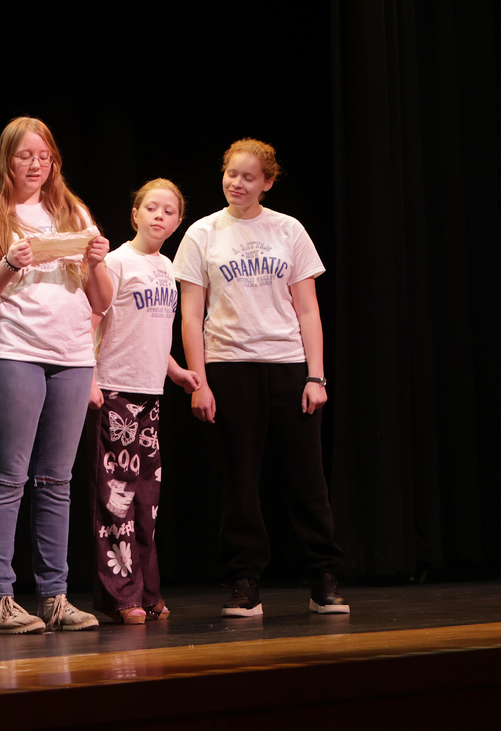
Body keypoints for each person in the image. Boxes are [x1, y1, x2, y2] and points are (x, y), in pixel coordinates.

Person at [172, 138, 348, 617]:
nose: (237, 183)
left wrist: (317, 377)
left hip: (288, 366)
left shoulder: (288, 230)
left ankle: (324, 578)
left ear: (267, 183)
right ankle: (245, 580)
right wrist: (199, 380)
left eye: (249, 177)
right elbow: (190, 315)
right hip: (229, 367)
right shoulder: (202, 233)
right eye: (231, 174)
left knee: (307, 479)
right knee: (240, 481)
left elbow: (308, 309)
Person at [0, 117, 112, 633]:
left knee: (57, 480)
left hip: (71, 356)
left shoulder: (73, 211)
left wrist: (96, 261)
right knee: (8, 476)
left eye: (43, 156)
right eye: (25, 156)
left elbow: (103, 301)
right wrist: (8, 263)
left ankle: (54, 595)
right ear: (7, 159)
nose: (35, 165)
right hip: (11, 352)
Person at [86, 179, 200, 624]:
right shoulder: (116, 262)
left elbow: (150, 331)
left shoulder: (166, 267)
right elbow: (93, 321)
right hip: (115, 392)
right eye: (151, 208)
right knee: (115, 502)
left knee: (146, 501)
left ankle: (149, 590)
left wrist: (174, 371)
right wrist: (91, 378)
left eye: (169, 211)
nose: (159, 216)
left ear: (177, 221)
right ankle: (121, 595)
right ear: (134, 213)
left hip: (149, 395)